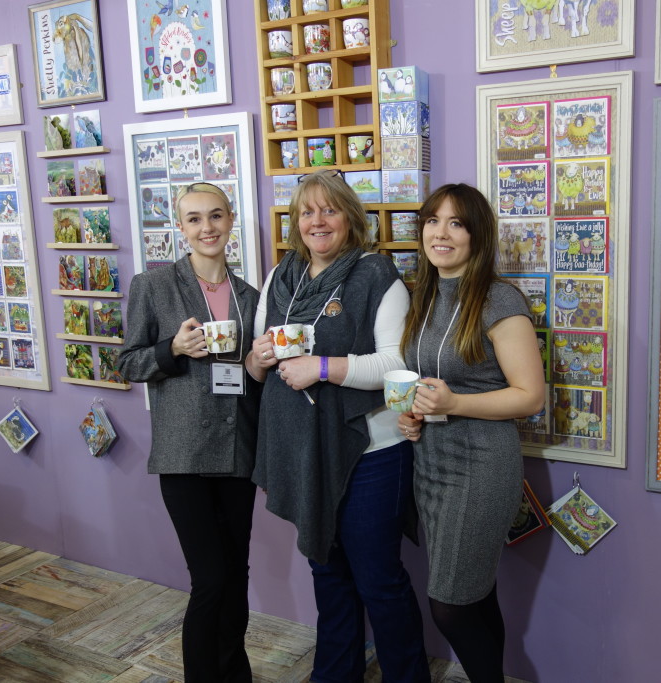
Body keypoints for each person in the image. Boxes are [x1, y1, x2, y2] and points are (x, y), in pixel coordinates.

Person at [247, 170, 429, 683]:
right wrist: (257, 358)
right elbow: (257, 366)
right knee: (327, 573)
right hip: (305, 450)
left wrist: (323, 367)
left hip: (370, 449)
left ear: (350, 217)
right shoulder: (281, 277)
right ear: (296, 222)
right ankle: (335, 674)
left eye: (329, 210)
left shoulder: (376, 276)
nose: (317, 221)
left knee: (379, 582)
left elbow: (395, 363)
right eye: (307, 212)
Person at [397, 183, 545, 683]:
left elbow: (529, 395)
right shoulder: (423, 294)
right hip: (430, 464)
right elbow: (426, 377)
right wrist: (413, 412)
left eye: (456, 223)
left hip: (481, 466)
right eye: (433, 221)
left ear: (476, 236)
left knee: (451, 606)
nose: (441, 233)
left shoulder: (498, 298)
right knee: (476, 595)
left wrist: (455, 403)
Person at [118, 182, 260, 683]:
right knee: (210, 579)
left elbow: (250, 377)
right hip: (183, 455)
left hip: (239, 451)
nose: (207, 228)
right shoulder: (153, 286)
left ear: (231, 220)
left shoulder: (249, 297)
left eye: (216, 216)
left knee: (237, 577)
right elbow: (128, 363)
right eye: (195, 219)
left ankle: (233, 671)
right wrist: (172, 349)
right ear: (180, 227)